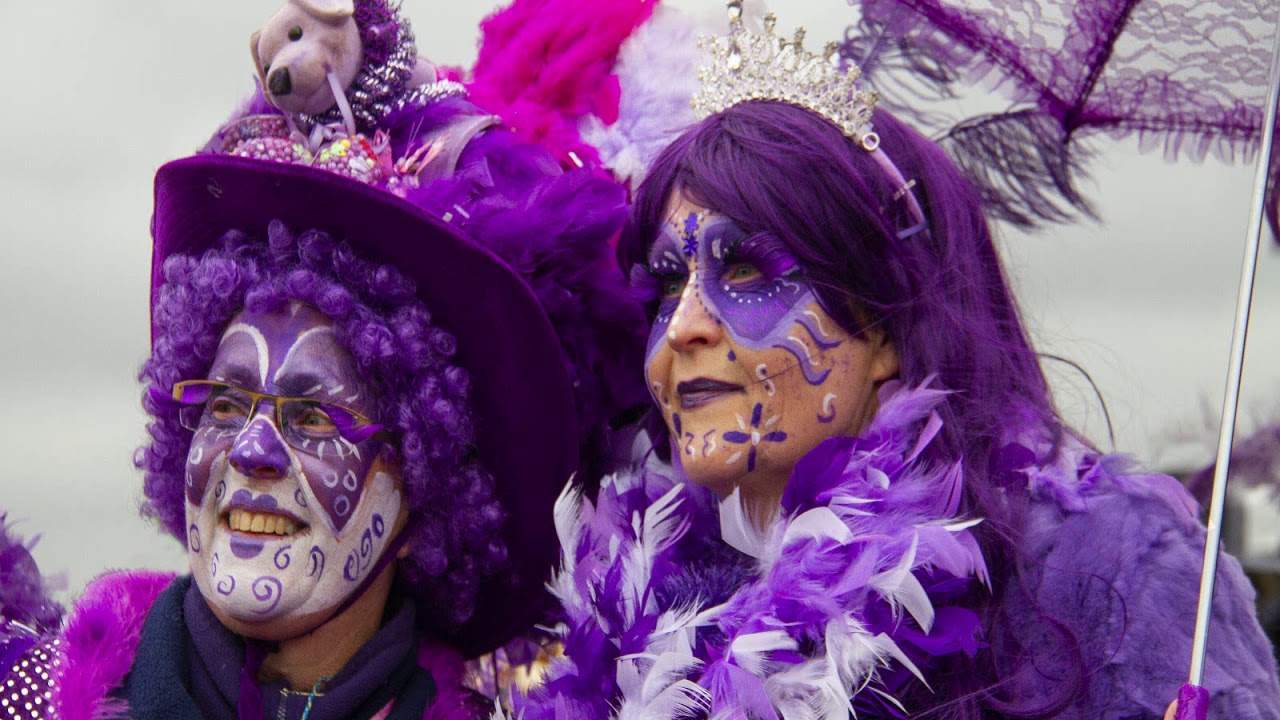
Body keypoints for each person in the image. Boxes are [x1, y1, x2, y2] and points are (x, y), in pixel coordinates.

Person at [512, 7, 1280, 720]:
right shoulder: (633, 619)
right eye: (668, 282)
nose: (681, 327)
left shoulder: (1105, 569)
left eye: (745, 269)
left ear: (887, 325)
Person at [0, 0, 650, 716]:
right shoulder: (37, 700)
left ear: (424, 487)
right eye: (222, 404)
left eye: (311, 414)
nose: (250, 449)